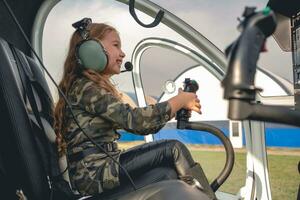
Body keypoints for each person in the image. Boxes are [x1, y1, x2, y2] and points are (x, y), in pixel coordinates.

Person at [54, 18, 216, 199]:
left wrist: (176, 106)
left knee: (167, 173)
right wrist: (178, 101)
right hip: (95, 173)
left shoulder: (83, 87)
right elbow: (138, 122)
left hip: (99, 171)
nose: (123, 53)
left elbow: (145, 123)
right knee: (173, 149)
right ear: (91, 50)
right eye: (116, 45)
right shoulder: (85, 87)